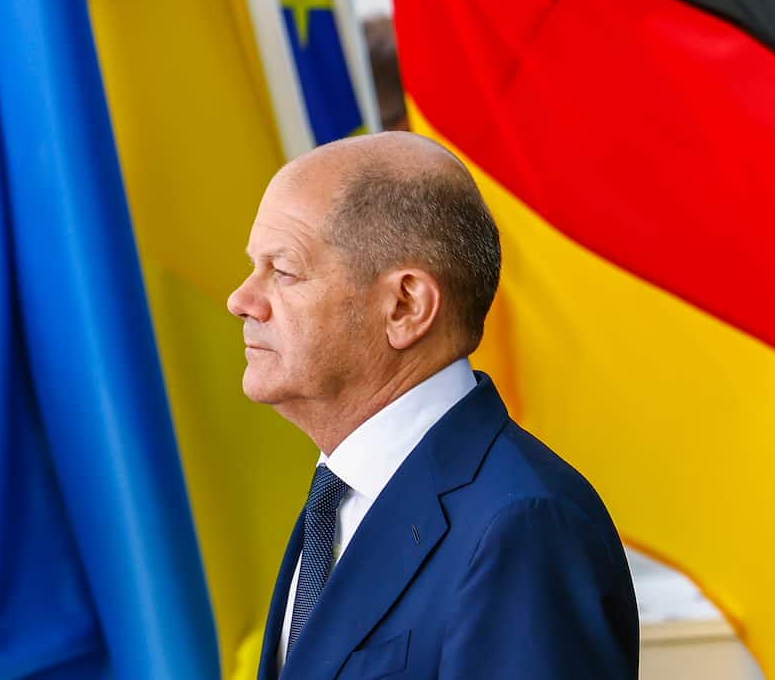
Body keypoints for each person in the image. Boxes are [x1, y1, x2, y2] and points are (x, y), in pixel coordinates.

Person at [227, 131, 639, 679]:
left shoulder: (522, 526)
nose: (241, 300)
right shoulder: (338, 498)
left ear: (405, 306)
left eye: (283, 271)